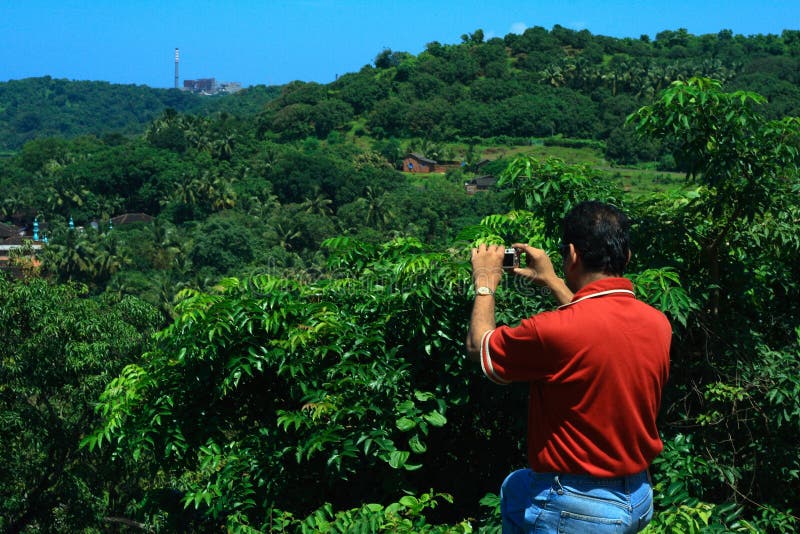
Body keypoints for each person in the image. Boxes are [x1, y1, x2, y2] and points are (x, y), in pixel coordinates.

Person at [466, 201, 671, 533]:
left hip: (580, 506)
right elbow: (595, 326)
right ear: (627, 257)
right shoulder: (657, 323)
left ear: (572, 255)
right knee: (515, 488)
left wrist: (485, 282)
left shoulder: (552, 331)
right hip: (638, 494)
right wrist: (552, 281)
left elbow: (481, 348)